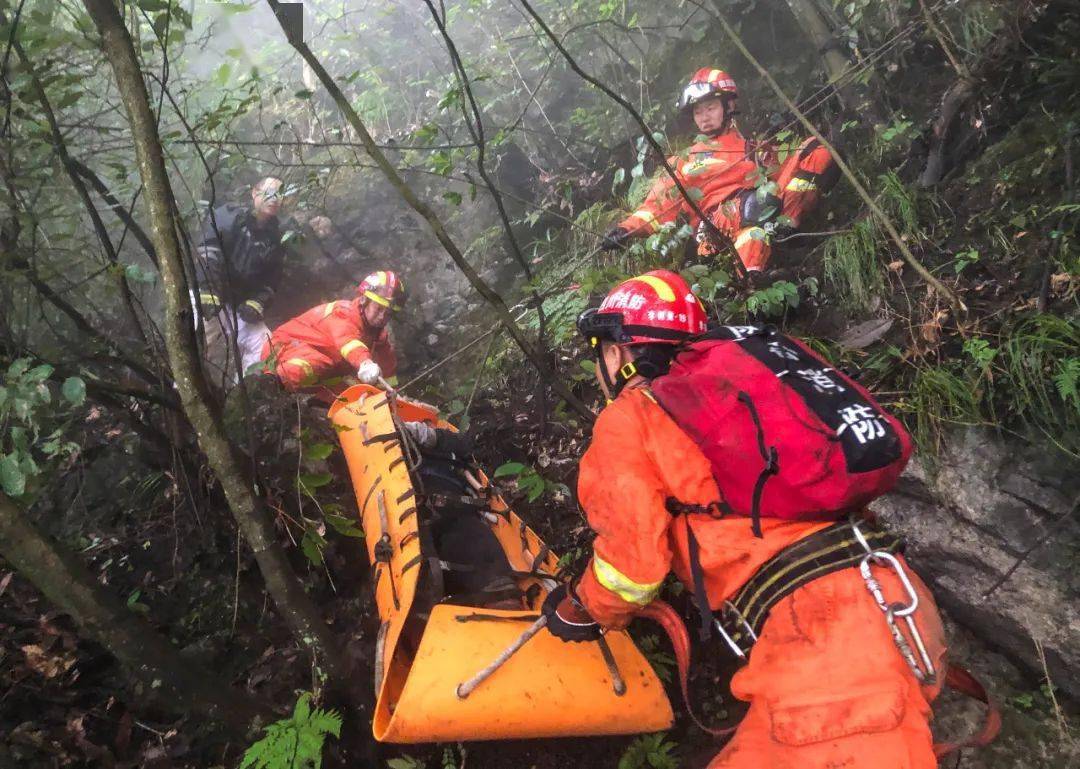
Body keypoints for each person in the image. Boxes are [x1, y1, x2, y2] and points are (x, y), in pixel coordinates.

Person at [542, 270, 949, 768]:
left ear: (616, 353)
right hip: (892, 600)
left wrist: (581, 609)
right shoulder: (745, 388)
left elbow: (633, 568)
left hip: (825, 644)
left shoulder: (631, 418)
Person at [603, 68, 838, 274]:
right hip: (714, 232)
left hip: (765, 216)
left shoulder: (753, 149)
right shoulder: (683, 161)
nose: (704, 117)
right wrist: (626, 230)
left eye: (710, 108)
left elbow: (782, 181)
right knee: (753, 204)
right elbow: (656, 207)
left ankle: (787, 231)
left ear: (729, 106)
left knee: (815, 150)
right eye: (698, 112)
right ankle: (751, 278)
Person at [193, 176, 291, 383]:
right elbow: (209, 251)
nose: (275, 199)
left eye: (280, 194)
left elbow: (272, 279)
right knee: (196, 343)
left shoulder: (276, 236)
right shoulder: (228, 217)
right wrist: (208, 288)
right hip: (209, 292)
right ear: (254, 193)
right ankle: (181, 390)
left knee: (265, 346)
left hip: (238, 303)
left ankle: (243, 391)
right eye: (269, 193)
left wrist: (258, 301)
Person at [261, 270, 405, 396]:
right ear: (364, 300)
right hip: (282, 349)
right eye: (378, 309)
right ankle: (269, 386)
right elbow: (348, 341)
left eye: (388, 313)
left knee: (350, 384)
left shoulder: (378, 336)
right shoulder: (343, 313)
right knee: (319, 363)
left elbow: (387, 371)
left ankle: (321, 404)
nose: (382, 317)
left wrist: (393, 395)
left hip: (311, 361)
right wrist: (365, 362)